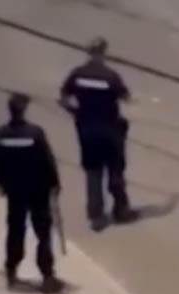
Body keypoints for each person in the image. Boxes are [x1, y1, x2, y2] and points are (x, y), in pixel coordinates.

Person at [59, 37, 138, 231]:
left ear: (88, 52)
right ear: (104, 52)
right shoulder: (111, 76)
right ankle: (121, 210)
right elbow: (127, 98)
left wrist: (77, 113)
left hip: (87, 132)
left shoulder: (77, 74)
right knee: (115, 171)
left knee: (93, 173)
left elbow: (63, 99)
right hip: (110, 131)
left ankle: (96, 216)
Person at [0, 93, 64, 294]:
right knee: (43, 232)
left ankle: (11, 269)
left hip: (15, 190)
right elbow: (47, 161)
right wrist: (55, 184)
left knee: (15, 230)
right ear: (23, 110)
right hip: (37, 188)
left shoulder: (0, 135)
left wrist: (0, 183)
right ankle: (47, 275)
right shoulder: (35, 133)